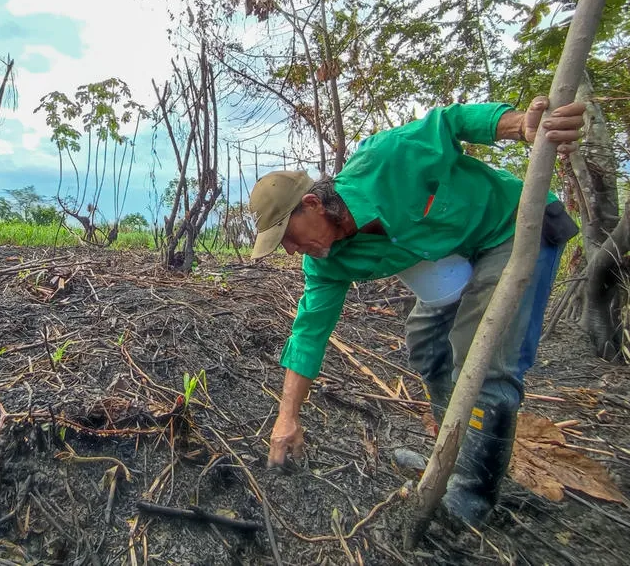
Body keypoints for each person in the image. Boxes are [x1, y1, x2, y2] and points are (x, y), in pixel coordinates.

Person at [250, 96, 585, 528]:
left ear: (312, 205)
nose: (292, 251)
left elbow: (451, 121)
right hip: (456, 254)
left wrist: (519, 125)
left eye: (288, 237)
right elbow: (309, 333)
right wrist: (287, 417)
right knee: (427, 343)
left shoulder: (385, 158)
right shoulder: (325, 261)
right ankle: (452, 452)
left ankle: (471, 494)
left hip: (512, 226)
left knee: (483, 359)